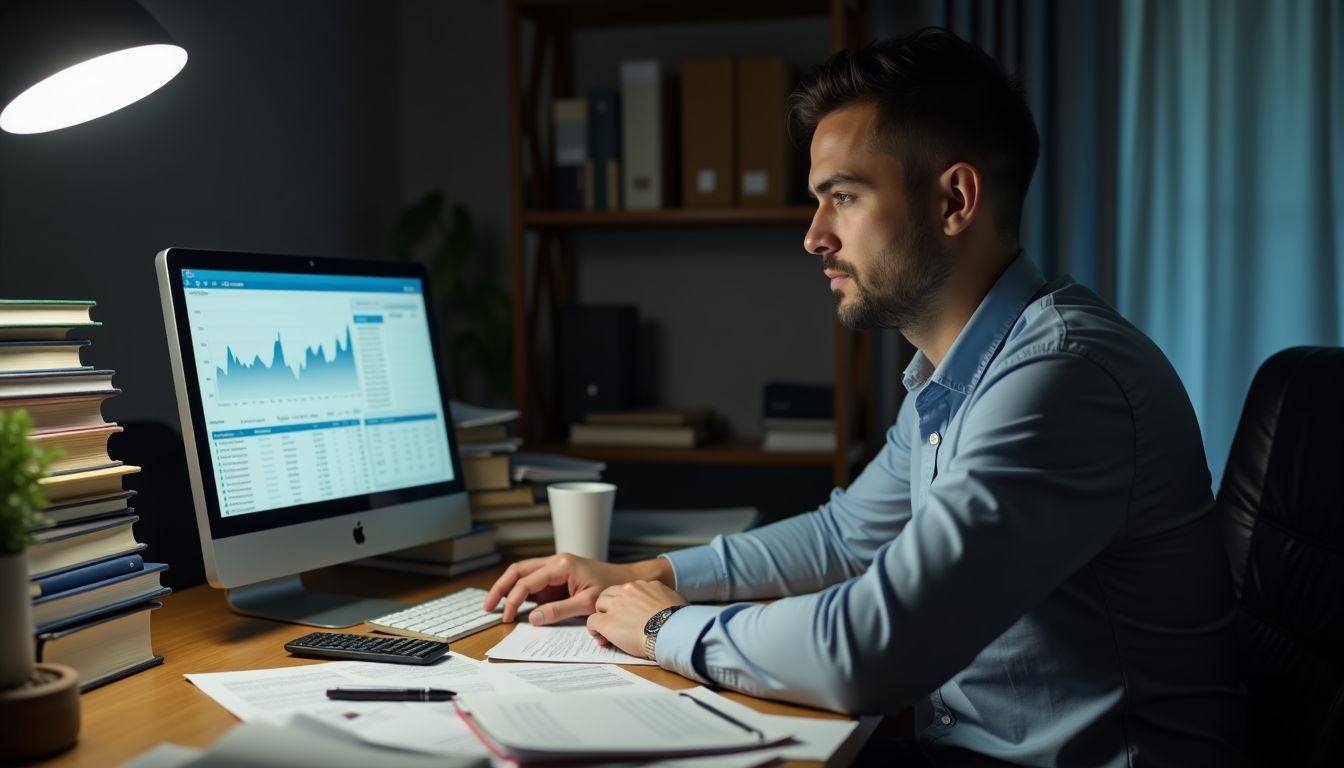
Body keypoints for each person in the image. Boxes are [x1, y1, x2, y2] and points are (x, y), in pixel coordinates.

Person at [485, 28, 1247, 766]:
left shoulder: (1060, 379)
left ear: (954, 201)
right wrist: (647, 575)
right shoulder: (956, 375)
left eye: (842, 196)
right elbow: (846, 537)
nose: (815, 235)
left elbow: (873, 650)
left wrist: (667, 628)